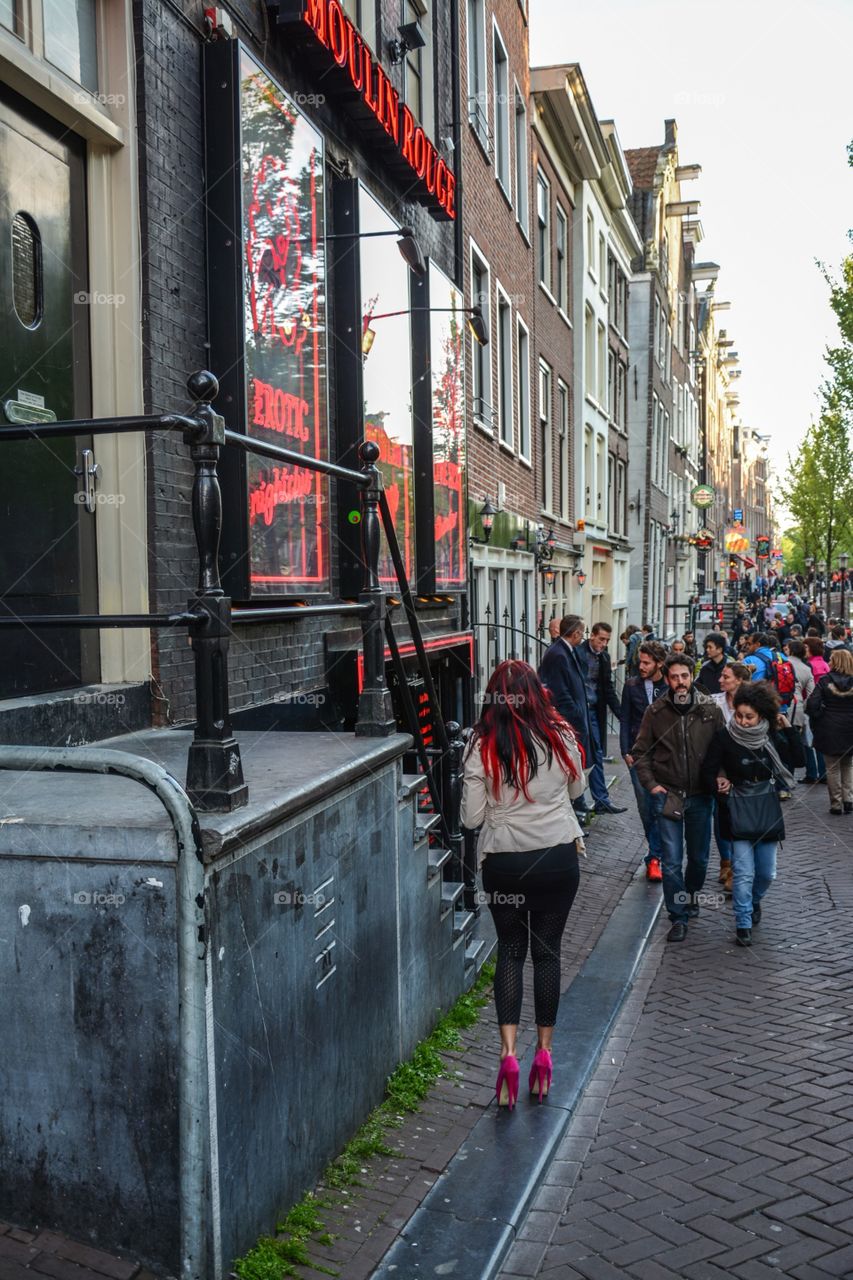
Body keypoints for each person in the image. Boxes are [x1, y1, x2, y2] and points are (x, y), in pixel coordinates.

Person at [461, 660, 586, 1109]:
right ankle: (545, 1056)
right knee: (548, 951)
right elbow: (576, 793)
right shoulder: (561, 735)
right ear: (538, 693)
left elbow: (470, 819)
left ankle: (508, 1056)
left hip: (506, 862)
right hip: (556, 856)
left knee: (511, 952)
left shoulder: (481, 743)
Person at [632, 653, 724, 942]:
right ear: (667, 678)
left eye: (685, 676)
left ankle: (691, 895)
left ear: (691, 676)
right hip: (669, 794)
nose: (680, 682)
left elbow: (723, 749)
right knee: (672, 861)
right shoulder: (656, 712)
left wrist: (721, 775)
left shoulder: (710, 709)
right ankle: (678, 915)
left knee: (697, 859)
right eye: (675, 677)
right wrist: (651, 784)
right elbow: (640, 752)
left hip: (700, 796)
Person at [704, 682, 804, 945]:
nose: (743, 722)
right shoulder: (724, 737)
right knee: (744, 872)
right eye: (739, 715)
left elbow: (799, 760)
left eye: (749, 717)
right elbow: (708, 770)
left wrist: (788, 729)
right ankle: (743, 921)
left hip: (765, 809)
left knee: (767, 873)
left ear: (762, 715)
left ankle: (754, 900)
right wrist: (720, 781)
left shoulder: (770, 735)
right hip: (735, 811)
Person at [620, 641, 667, 881]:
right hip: (637, 756)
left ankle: (655, 857)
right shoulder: (631, 686)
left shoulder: (669, 687)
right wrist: (625, 751)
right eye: (640, 661)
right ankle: (656, 850)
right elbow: (625, 719)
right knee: (644, 807)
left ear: (659, 663)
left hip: (663, 757)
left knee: (659, 805)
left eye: (647, 662)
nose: (641, 666)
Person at [710, 662, 753, 892]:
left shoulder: (751, 704)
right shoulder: (714, 702)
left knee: (740, 818)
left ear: (739, 680)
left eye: (725, 677)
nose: (720, 680)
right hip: (720, 769)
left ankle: (737, 868)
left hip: (744, 769)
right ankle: (725, 861)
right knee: (721, 817)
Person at [575, 622, 626, 815]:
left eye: (607, 640)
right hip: (577, 712)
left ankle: (601, 800)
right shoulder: (577, 653)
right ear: (592, 636)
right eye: (601, 639)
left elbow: (608, 689)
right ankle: (578, 799)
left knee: (596, 752)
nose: (604, 644)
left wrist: (622, 715)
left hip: (594, 712)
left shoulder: (604, 658)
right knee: (578, 755)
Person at [806, 648, 853, 815]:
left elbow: (812, 704)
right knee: (848, 765)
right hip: (850, 727)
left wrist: (819, 716)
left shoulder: (825, 681)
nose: (829, 662)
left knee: (832, 767)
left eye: (832, 660)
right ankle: (848, 800)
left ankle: (836, 803)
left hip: (830, 727)